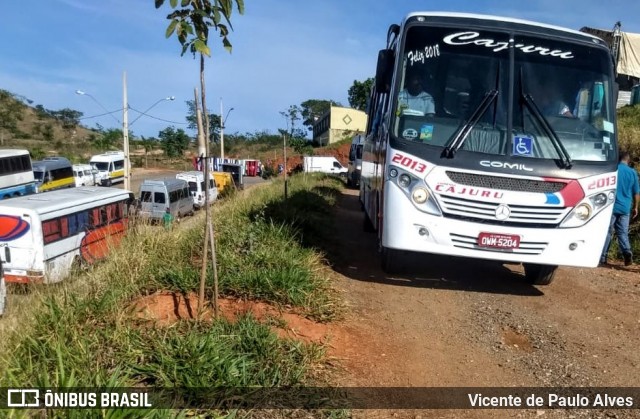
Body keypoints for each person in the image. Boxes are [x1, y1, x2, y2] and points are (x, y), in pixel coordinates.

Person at [600, 151, 640, 266]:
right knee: (623, 232)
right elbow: (636, 192)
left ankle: (603, 258)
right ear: (629, 160)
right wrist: (636, 207)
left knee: (608, 232)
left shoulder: (613, 169)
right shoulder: (633, 173)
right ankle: (627, 252)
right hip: (625, 208)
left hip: (612, 206)